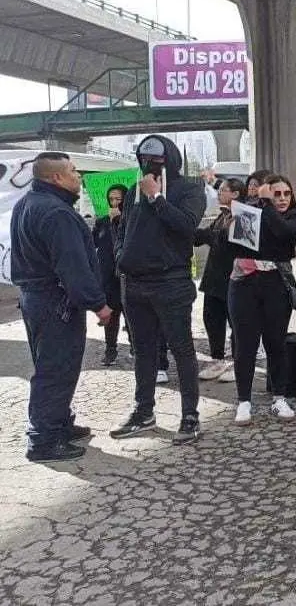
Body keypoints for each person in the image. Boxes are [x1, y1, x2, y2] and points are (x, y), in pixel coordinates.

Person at [11, 152, 113, 462]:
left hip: (36, 298)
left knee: (51, 365)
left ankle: (58, 424)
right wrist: (98, 304)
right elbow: (73, 266)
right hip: (57, 302)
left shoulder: (27, 204)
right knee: (56, 370)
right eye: (72, 171)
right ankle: (43, 440)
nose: (78, 175)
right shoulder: (57, 213)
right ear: (56, 178)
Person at [110, 134, 206, 444]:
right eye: (144, 158)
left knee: (182, 349)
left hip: (171, 282)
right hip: (135, 283)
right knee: (143, 352)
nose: (149, 164)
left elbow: (186, 226)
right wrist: (121, 255)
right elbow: (124, 228)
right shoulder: (133, 191)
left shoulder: (189, 188)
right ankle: (143, 411)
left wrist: (157, 198)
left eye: (156, 159)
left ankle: (190, 416)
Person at [226, 175, 296, 425]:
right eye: (276, 193)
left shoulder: (294, 218)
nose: (281, 198)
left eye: (285, 194)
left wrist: (266, 203)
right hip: (244, 285)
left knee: (276, 343)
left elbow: (284, 233)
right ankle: (243, 401)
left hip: (276, 286)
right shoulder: (251, 211)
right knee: (245, 344)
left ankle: (279, 397)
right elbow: (232, 245)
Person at [194, 178, 244, 382]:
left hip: (234, 279)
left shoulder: (242, 217)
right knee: (212, 320)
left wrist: (217, 236)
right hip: (214, 279)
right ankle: (217, 359)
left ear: (235, 194)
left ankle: (238, 361)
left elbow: (232, 245)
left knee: (236, 323)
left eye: (223, 190)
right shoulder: (222, 216)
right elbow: (205, 235)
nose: (219, 193)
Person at [93, 184, 127, 366]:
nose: (114, 203)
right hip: (108, 277)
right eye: (111, 199)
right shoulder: (102, 222)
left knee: (132, 316)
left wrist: (118, 221)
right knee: (111, 316)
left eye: (118, 199)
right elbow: (93, 244)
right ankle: (111, 350)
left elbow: (121, 244)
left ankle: (135, 348)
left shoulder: (130, 221)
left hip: (126, 275)